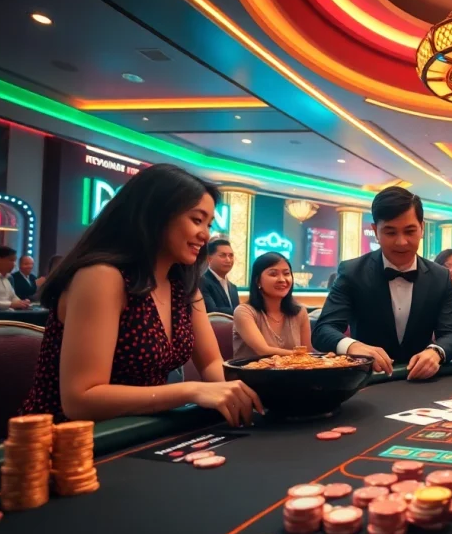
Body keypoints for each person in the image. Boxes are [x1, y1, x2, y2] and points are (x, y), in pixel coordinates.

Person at [18, 164, 264, 427]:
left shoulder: (183, 284)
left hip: (139, 430)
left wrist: (258, 394)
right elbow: (80, 399)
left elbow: (212, 363)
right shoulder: (102, 276)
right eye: (196, 220)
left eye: (209, 223)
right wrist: (191, 391)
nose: (206, 235)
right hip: (66, 443)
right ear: (155, 215)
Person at [313, 187, 452, 379]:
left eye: (410, 231)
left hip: (419, 380)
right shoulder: (352, 272)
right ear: (375, 231)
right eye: (390, 232)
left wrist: (436, 352)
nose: (401, 242)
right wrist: (353, 347)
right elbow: (323, 330)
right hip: (367, 380)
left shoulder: (440, 276)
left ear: (422, 228)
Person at [233, 252, 311, 359]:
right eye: (273, 274)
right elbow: (263, 351)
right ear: (258, 281)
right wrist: (300, 355)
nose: (282, 280)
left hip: (293, 373)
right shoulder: (244, 312)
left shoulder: (299, 312)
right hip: (252, 374)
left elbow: (307, 353)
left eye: (286, 273)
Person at [200, 238, 240, 314]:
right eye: (223, 255)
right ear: (209, 259)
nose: (228, 260)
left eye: (231, 256)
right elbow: (212, 311)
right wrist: (243, 311)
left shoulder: (233, 287)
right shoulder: (202, 282)